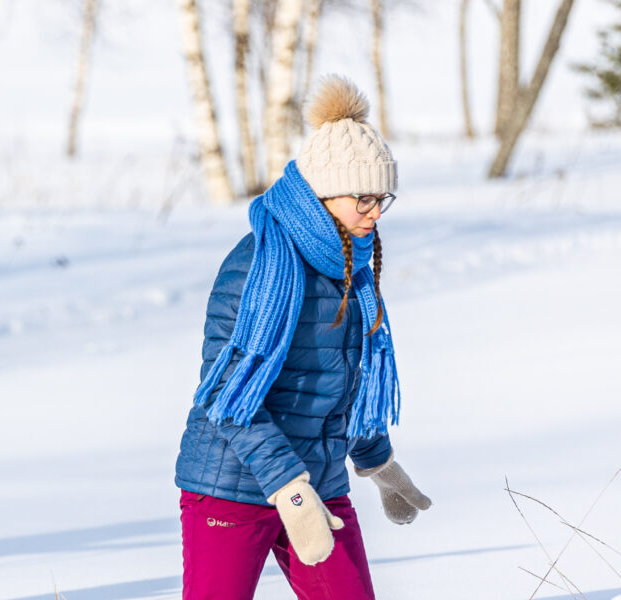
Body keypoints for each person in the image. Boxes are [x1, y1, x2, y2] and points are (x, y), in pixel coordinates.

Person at [173, 76, 434, 600]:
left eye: (384, 197)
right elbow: (228, 394)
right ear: (324, 191)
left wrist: (377, 460)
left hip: (318, 481)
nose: (376, 212)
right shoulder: (257, 266)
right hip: (232, 487)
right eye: (364, 198)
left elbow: (340, 385)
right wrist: (290, 491)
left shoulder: (352, 268)